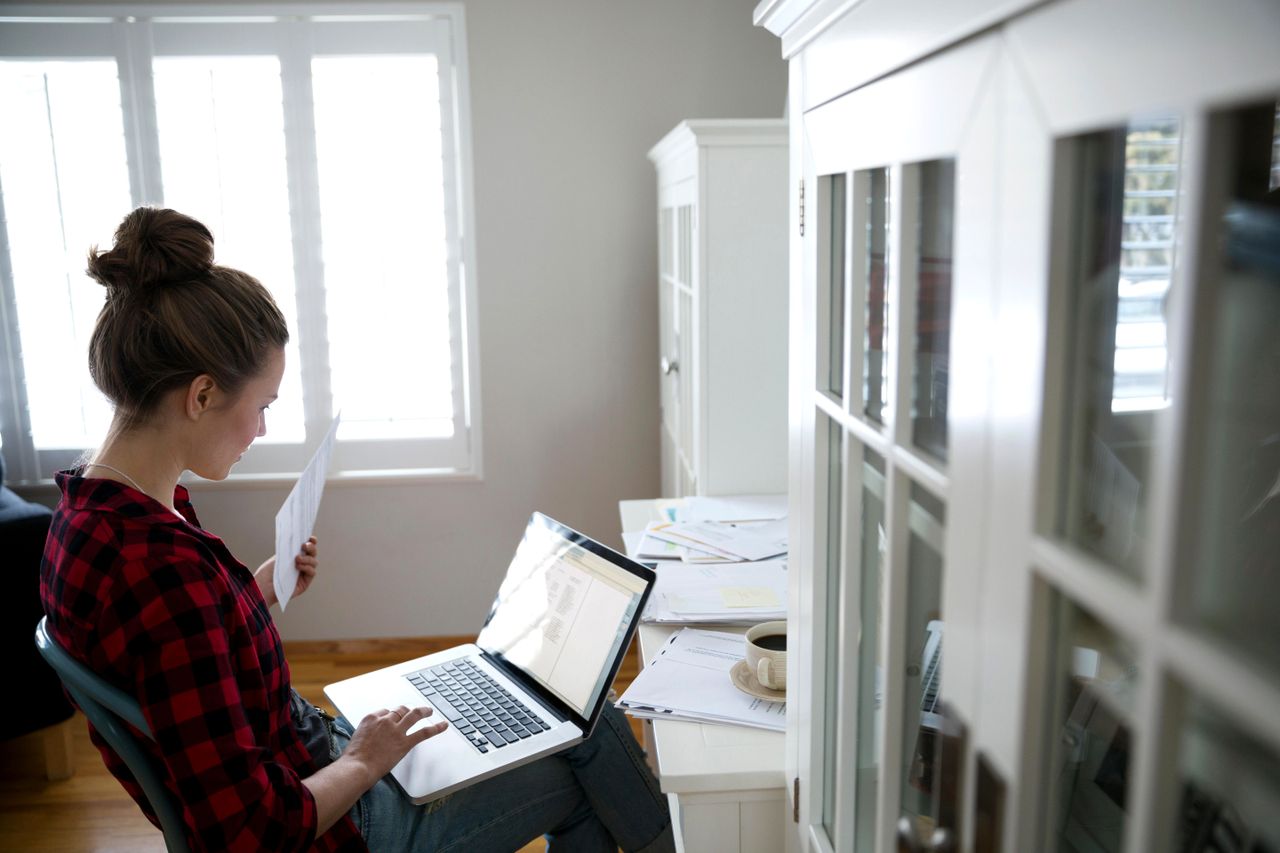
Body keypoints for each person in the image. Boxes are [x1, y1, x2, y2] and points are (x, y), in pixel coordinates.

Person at [40, 207, 674, 853]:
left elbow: (170, 657)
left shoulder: (94, 512)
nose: (260, 429)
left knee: (563, 724)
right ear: (201, 395)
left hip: (311, 753)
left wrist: (247, 597)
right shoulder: (160, 567)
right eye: (262, 406)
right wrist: (368, 760)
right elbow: (252, 831)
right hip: (333, 823)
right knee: (584, 730)